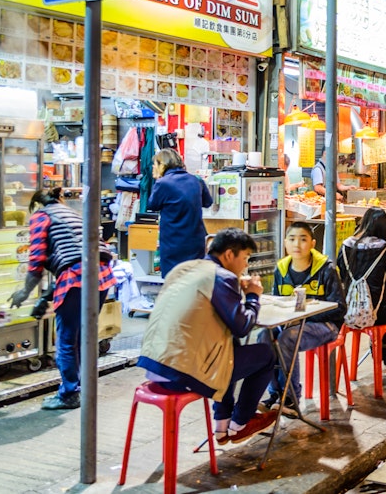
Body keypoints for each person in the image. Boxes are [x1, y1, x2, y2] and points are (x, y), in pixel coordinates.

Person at [136, 229, 277, 444]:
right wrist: (252, 296)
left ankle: (222, 426)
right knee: (266, 355)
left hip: (154, 365)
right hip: (182, 373)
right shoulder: (222, 277)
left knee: (227, 348)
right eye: (245, 258)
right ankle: (241, 422)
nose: (246, 265)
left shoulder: (184, 269)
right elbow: (243, 326)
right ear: (229, 255)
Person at [10, 188, 114, 410]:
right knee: (84, 336)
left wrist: (24, 293)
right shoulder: (71, 213)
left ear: (37, 205)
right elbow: (73, 257)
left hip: (76, 276)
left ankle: (69, 394)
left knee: (67, 340)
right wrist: (44, 298)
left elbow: (37, 261)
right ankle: (85, 389)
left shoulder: (41, 217)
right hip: (102, 273)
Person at [261, 222, 346, 413]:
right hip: (292, 325)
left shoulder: (327, 269)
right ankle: (275, 393)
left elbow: (340, 308)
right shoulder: (281, 270)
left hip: (327, 326)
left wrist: (305, 317)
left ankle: (290, 397)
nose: (297, 244)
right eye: (292, 239)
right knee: (264, 337)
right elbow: (277, 303)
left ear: (313, 243)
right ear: (285, 243)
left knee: (287, 338)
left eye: (303, 239)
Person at [338, 208, 386, 354]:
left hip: (347, 309)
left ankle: (385, 347)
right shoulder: (383, 248)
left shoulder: (345, 246)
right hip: (374, 311)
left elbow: (342, 274)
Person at [147, 148, 213, 277]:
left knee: (174, 281)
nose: (153, 168)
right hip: (196, 241)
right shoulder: (196, 180)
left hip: (173, 242)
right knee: (194, 279)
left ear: (162, 165)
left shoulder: (163, 183)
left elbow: (152, 205)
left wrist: (157, 180)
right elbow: (208, 202)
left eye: (155, 164)